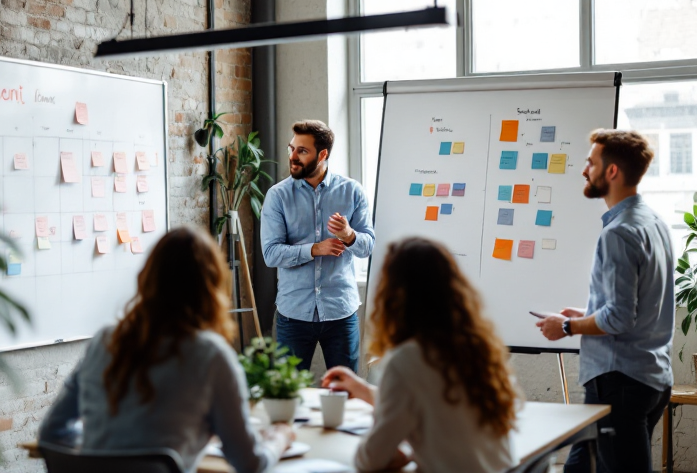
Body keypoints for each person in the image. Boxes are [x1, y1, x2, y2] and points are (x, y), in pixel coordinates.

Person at [38, 227, 294, 473]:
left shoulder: (105, 340)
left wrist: (107, 449)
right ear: (212, 286)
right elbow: (249, 464)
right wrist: (279, 438)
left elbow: (51, 433)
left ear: (147, 278)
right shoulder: (210, 354)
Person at [536, 129, 674, 473]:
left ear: (611, 171)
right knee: (578, 468)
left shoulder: (619, 233)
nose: (585, 170)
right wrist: (587, 314)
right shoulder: (655, 223)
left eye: (591, 162)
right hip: (650, 377)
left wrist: (567, 326)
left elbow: (620, 317)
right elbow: (643, 306)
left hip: (620, 383)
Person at [322, 237, 518, 473]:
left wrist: (405, 452)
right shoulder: (477, 347)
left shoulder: (408, 359)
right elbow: (432, 402)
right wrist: (362, 389)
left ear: (394, 297)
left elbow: (369, 459)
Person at [260, 119, 375, 372]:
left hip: (340, 313)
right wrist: (315, 249)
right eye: (291, 149)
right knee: (287, 394)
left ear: (322, 154)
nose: (293, 156)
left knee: (345, 392)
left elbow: (368, 247)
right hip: (293, 314)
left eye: (302, 151)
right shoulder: (277, 196)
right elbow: (270, 254)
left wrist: (348, 235)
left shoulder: (352, 192)